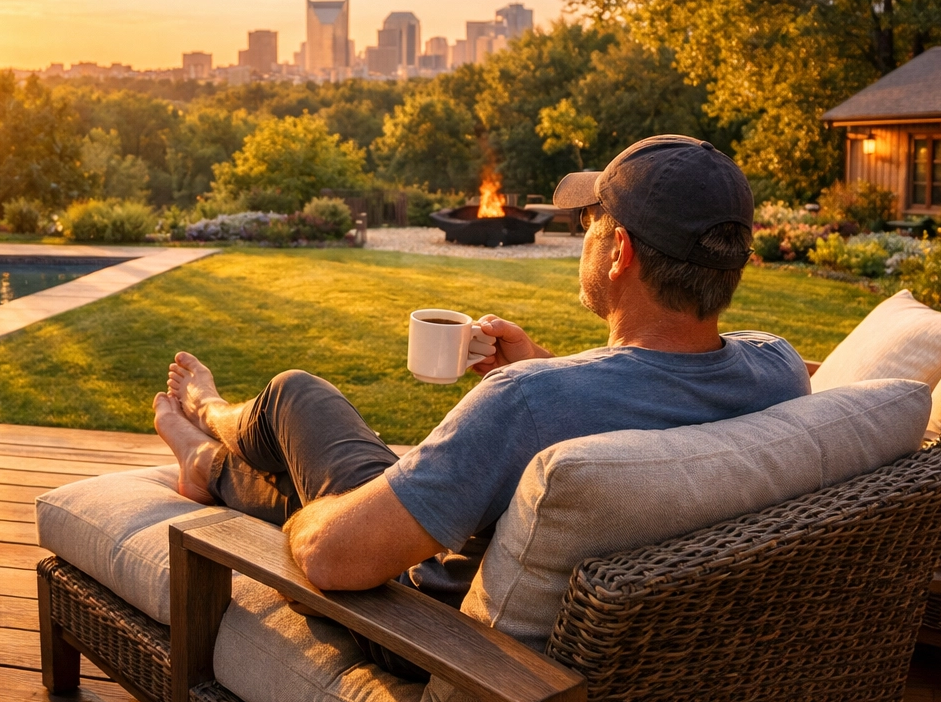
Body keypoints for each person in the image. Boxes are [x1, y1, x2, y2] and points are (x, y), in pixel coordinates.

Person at [152, 135, 809, 617]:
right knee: (316, 438)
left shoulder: (524, 406)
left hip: (427, 617)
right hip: (609, 633)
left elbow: (333, 558)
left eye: (590, 222)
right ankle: (209, 463)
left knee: (293, 395)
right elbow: (665, 389)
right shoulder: (778, 369)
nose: (584, 234)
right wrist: (547, 366)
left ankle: (208, 415)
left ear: (622, 254)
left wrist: (304, 513)